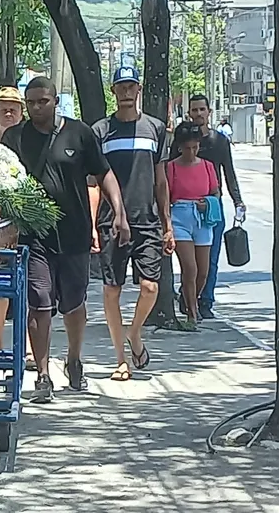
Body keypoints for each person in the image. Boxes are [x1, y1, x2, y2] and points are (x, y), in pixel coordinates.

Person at [0, 78, 127, 399]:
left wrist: (119, 212)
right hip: (32, 236)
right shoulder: (14, 138)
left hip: (74, 233)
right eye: (30, 103)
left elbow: (104, 173)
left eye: (42, 101)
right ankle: (42, 373)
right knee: (39, 302)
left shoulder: (79, 133)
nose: (36, 108)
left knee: (74, 303)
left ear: (56, 101)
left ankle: (73, 360)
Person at [90, 65, 173, 382]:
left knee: (150, 287)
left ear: (139, 90)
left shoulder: (155, 129)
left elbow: (161, 181)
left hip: (147, 220)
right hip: (111, 222)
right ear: (113, 91)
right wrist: (91, 225)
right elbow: (93, 183)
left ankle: (134, 333)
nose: (126, 91)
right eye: (120, 86)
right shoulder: (100, 132)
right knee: (112, 290)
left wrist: (167, 224)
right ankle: (120, 359)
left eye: (131, 86)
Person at [177, 95, 244, 319]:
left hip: (212, 207)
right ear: (189, 113)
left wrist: (238, 201)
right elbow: (168, 171)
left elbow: (229, 172)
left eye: (202, 109)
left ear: (209, 112)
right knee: (190, 263)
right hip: (184, 208)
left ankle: (205, 301)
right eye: (194, 110)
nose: (198, 114)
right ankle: (186, 297)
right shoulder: (182, 139)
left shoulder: (219, 141)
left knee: (210, 260)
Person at [166, 122, 219, 328]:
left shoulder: (207, 166)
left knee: (203, 271)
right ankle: (192, 313)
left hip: (203, 217)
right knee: (190, 268)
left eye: (195, 147)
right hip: (180, 216)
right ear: (180, 147)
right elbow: (165, 195)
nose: (191, 152)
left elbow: (215, 192)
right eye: (187, 148)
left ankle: (188, 297)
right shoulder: (171, 168)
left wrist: (208, 203)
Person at [0, 87, 27, 350]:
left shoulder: (30, 139)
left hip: (24, 219)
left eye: (14, 107)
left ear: (22, 112)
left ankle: (30, 344)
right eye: (3, 108)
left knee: (29, 283)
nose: (9, 112)